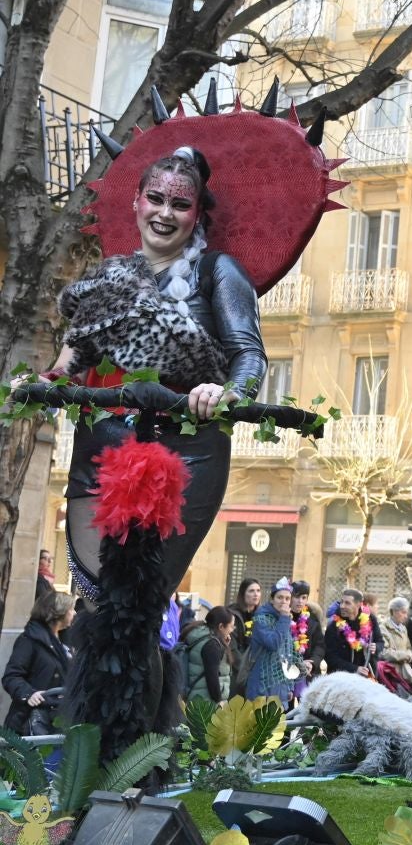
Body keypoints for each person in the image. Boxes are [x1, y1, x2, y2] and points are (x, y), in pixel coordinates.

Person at [38, 149, 266, 602]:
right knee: (97, 607)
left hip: (185, 453)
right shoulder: (108, 277)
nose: (165, 213)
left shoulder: (217, 272)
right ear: (136, 202)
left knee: (137, 611)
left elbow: (249, 355)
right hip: (100, 450)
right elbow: (70, 362)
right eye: (156, 198)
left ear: (197, 214)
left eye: (180, 204)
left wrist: (226, 392)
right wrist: (46, 385)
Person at [3, 593, 76, 735]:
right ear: (59, 611)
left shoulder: (64, 640)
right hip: (31, 722)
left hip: (57, 718)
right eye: (71, 609)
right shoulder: (29, 640)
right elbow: (11, 676)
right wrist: (29, 694)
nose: (75, 613)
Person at [325, 588, 384, 677]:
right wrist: (354, 669)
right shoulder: (334, 625)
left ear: (359, 604)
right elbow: (330, 656)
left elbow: (380, 642)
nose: (342, 606)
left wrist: (376, 647)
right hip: (341, 677)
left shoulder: (370, 619)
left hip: (367, 675)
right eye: (342, 602)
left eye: (347, 603)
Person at [183, 606, 235, 706]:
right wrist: (219, 700)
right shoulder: (212, 645)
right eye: (231, 626)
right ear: (221, 627)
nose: (232, 630)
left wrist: (223, 647)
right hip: (206, 703)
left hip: (196, 698)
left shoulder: (202, 636)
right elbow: (212, 677)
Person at [289, 580, 324, 700]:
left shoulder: (312, 618)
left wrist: (312, 663)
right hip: (286, 671)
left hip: (308, 672)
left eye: (304, 597)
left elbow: (320, 645)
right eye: (296, 597)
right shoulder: (283, 617)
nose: (300, 601)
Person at [379, 597, 412, 687]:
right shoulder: (383, 628)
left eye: (406, 613)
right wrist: (405, 655)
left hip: (402, 674)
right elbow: (383, 653)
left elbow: (408, 647)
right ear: (394, 611)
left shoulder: (403, 629)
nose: (406, 616)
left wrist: (409, 654)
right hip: (389, 674)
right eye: (403, 612)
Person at [229, 577, 262, 676]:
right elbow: (232, 647)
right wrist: (244, 670)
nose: (256, 594)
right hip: (237, 669)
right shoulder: (232, 614)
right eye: (251, 591)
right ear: (243, 594)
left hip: (256, 667)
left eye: (258, 591)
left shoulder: (262, 615)